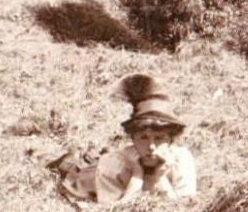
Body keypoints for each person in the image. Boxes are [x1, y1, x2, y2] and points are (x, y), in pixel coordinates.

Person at [55, 74, 198, 204]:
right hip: (89, 177)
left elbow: (180, 210)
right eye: (143, 138)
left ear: (171, 139)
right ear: (133, 138)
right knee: (67, 165)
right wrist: (137, 174)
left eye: (159, 138)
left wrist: (159, 176)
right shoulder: (112, 165)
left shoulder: (181, 159)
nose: (151, 146)